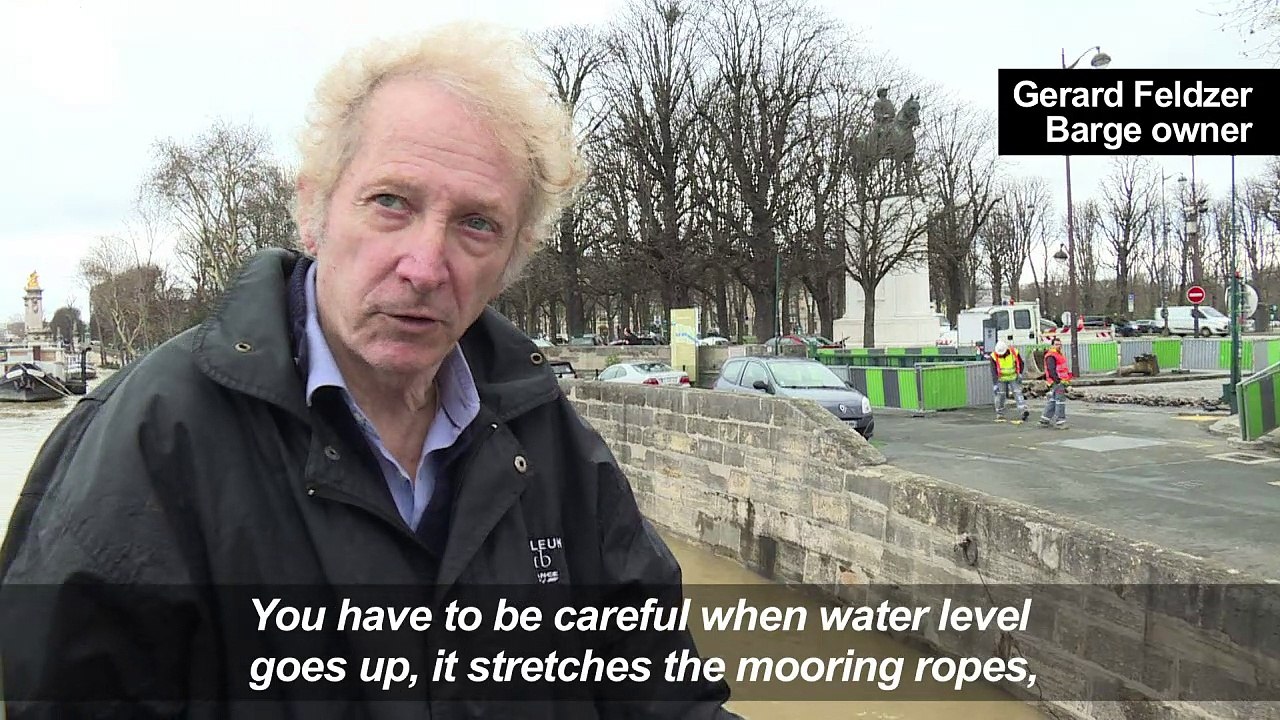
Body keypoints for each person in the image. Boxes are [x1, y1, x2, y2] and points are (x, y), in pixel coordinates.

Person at [0, 24, 737, 718]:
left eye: (477, 224)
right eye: (391, 203)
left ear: (511, 260)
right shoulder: (148, 444)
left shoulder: (548, 441)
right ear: (313, 210)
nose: (424, 266)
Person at [989, 341, 1029, 423]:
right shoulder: (993, 356)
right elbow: (993, 371)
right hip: (1001, 379)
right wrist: (995, 383)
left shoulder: (1014, 353)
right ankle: (1000, 413)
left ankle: (1023, 411)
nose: (1000, 355)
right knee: (1000, 396)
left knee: (1018, 393)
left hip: (1013, 377)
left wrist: (1020, 373)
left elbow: (1021, 363)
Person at [1040, 337, 1073, 428]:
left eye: (1059, 344)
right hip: (1057, 381)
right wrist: (1057, 380)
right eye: (1056, 344)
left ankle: (1045, 419)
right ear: (1052, 345)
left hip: (1059, 381)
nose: (1058, 346)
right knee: (1060, 401)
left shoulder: (1057, 354)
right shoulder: (1052, 355)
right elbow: (1051, 369)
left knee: (1053, 400)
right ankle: (1060, 422)